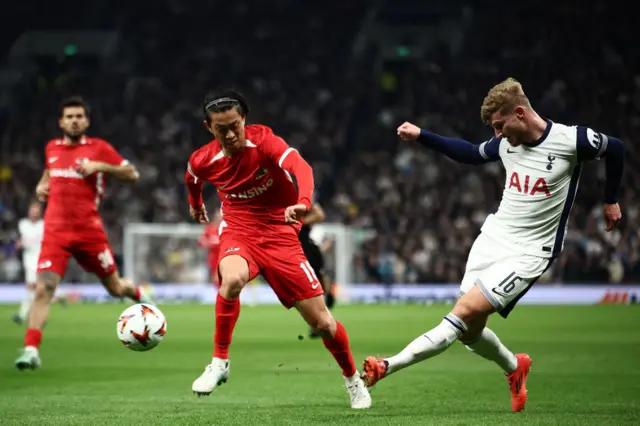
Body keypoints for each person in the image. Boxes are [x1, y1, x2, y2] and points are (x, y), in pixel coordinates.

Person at [361, 78, 624, 412]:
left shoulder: (572, 140)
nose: (498, 135)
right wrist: (423, 136)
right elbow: (471, 153)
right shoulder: (506, 144)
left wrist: (611, 201)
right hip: (493, 238)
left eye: (500, 125)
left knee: (462, 313)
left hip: (531, 251)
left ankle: (387, 365)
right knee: (470, 332)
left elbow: (616, 148)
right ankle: (515, 368)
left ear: (519, 113)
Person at [185, 88, 371, 409]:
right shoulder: (203, 159)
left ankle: (353, 380)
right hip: (238, 230)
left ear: (244, 120)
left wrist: (302, 202)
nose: (230, 134)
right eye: (221, 128)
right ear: (208, 127)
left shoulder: (265, 141)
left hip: (280, 234)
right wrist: (195, 205)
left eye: (235, 125)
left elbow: (302, 169)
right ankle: (219, 362)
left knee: (323, 324)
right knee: (231, 281)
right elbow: (191, 178)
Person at [15, 96, 153, 370]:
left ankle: (136, 292)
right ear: (61, 122)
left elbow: (133, 174)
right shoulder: (52, 148)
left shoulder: (98, 148)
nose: (74, 120)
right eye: (70, 116)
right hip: (55, 233)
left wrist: (100, 166)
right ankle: (31, 350)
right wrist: (41, 186)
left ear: (87, 121)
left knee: (114, 288)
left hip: (89, 233)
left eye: (79, 116)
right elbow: (49, 171)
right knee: (44, 289)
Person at [299, 203, 336, 338]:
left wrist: (299, 223)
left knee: (316, 282)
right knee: (309, 287)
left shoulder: (301, 198)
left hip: (306, 248)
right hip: (290, 248)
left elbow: (319, 214)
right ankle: (319, 320)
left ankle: (320, 322)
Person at [13, 200, 45, 325]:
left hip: (41, 258)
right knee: (34, 287)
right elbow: (19, 239)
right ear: (29, 211)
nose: (34, 212)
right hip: (28, 259)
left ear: (40, 212)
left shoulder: (44, 224)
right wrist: (19, 244)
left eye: (37, 210)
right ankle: (30, 314)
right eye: (33, 209)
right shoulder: (23, 224)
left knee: (37, 287)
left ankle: (24, 314)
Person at [199, 208, 222, 287]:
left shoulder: (228, 229)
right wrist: (211, 243)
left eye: (220, 216)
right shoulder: (209, 229)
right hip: (213, 259)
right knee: (217, 281)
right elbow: (201, 243)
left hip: (225, 258)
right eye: (217, 216)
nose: (219, 218)